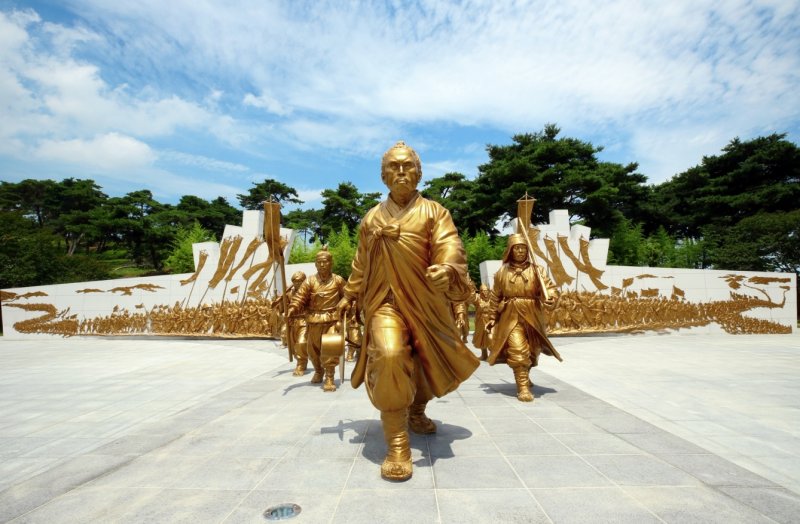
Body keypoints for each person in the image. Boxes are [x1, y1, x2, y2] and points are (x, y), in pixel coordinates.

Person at [337, 141, 479, 481]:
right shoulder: (372, 218)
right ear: (383, 175)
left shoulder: (434, 212)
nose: (401, 172)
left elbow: (450, 246)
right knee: (389, 355)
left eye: (408, 166)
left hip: (426, 302)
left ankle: (416, 409)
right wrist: (349, 294)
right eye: (394, 166)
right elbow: (360, 263)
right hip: (384, 302)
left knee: (425, 360)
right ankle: (397, 442)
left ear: (419, 173)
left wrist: (447, 269)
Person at [485, 234, 562, 402]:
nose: (520, 251)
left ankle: (526, 375)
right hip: (510, 315)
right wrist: (491, 317)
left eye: (523, 248)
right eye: (517, 248)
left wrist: (551, 297)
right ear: (510, 251)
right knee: (518, 350)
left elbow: (550, 288)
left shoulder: (537, 270)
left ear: (527, 251)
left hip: (533, 314)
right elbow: (495, 296)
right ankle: (523, 388)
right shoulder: (502, 272)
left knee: (533, 351)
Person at [288, 249, 346, 391]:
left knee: (330, 347)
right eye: (319, 262)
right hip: (314, 320)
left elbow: (347, 296)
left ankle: (329, 377)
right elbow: (300, 296)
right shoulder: (309, 281)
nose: (322, 265)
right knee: (313, 350)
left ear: (331, 263)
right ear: (315, 264)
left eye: (325, 262)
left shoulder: (338, 280)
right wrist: (292, 308)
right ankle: (319, 371)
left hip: (332, 319)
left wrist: (346, 307)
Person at [284, 271, 308, 376]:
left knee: (301, 342)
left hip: (304, 321)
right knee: (293, 346)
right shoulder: (289, 294)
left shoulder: (308, 293)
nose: (297, 283)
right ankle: (302, 360)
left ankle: (301, 363)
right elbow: (282, 309)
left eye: (299, 281)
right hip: (293, 322)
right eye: (295, 281)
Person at [472, 284, 492, 361]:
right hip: (480, 321)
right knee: (481, 338)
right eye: (482, 291)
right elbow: (471, 296)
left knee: (490, 337)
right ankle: (484, 355)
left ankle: (492, 355)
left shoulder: (492, 299)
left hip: (490, 320)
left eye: (486, 291)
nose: (484, 293)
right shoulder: (478, 299)